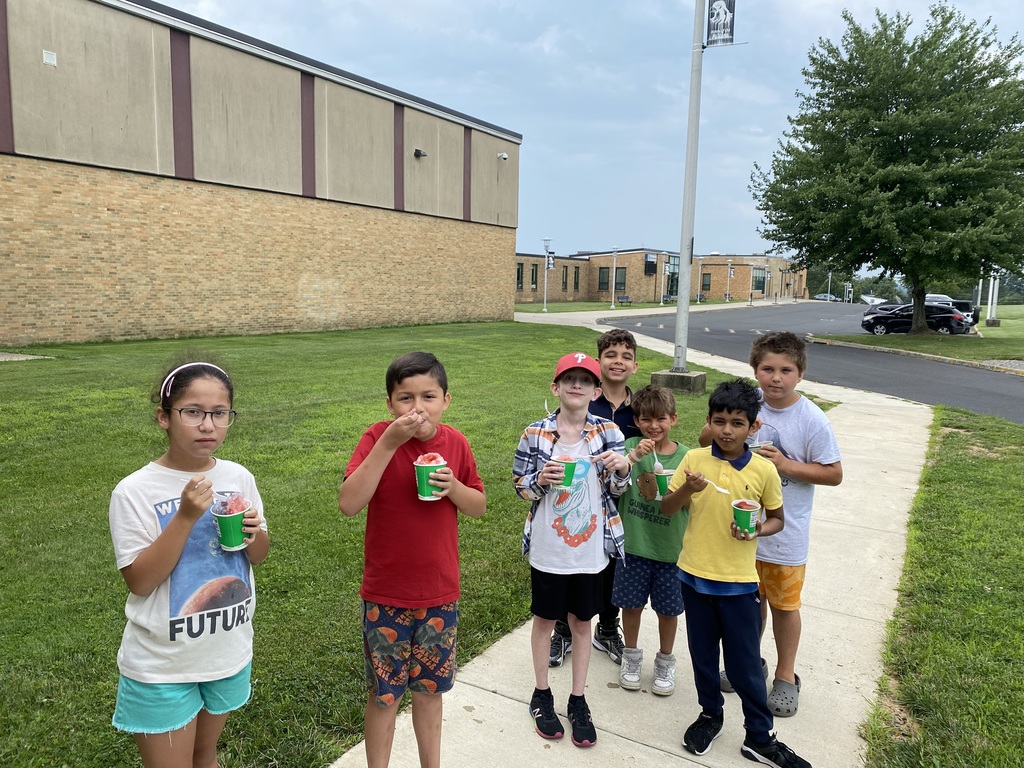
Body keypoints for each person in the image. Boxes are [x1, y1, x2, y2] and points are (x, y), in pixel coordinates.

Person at [109, 360, 271, 768]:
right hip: (163, 665)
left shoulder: (238, 477)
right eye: (193, 412)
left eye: (220, 413)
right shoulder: (134, 491)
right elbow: (140, 581)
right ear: (164, 417)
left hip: (226, 653)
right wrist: (183, 517)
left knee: (204, 754)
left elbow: (258, 555)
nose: (208, 425)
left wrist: (254, 534)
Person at [339, 351, 486, 768]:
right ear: (390, 404)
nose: (417, 408)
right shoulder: (376, 438)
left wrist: (453, 487)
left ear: (446, 400)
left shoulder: (456, 444)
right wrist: (389, 443)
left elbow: (478, 506)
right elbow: (349, 503)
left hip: (439, 593)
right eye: (406, 398)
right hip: (386, 594)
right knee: (384, 697)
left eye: (428, 397)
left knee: (430, 693)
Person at [662, 379, 812, 767]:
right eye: (719, 421)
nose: (727, 430)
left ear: (753, 426)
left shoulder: (764, 470)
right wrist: (688, 489)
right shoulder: (694, 460)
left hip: (739, 583)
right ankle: (710, 715)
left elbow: (777, 518)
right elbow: (667, 507)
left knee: (744, 663)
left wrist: (757, 530)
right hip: (693, 576)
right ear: (709, 421)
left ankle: (760, 737)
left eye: (737, 423)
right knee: (702, 656)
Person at [708, 332, 843, 718]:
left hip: (786, 534)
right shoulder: (748, 405)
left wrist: (785, 465)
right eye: (767, 369)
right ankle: (749, 662)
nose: (776, 378)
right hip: (743, 533)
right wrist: (732, 425)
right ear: (755, 370)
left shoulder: (811, 419)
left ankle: (786, 675)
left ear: (801, 374)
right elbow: (709, 436)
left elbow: (833, 473)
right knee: (749, 605)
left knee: (784, 606)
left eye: (786, 370)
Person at [513, 352, 631, 748]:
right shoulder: (534, 433)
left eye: (585, 380)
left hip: (590, 551)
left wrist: (622, 468)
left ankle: (578, 698)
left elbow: (617, 490)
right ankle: (541, 693)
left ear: (596, 391)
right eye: (569, 379)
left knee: (582, 623)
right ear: (556, 387)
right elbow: (520, 487)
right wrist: (539, 479)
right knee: (545, 620)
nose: (576, 385)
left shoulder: (609, 431)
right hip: (549, 548)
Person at [550, 328, 640, 667]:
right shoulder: (584, 400)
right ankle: (563, 629)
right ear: (599, 363)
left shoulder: (640, 406)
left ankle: (607, 627)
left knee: (614, 567)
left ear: (635, 366)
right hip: (584, 502)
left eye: (626, 357)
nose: (618, 362)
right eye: (610, 355)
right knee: (574, 566)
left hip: (625, 499)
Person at [613, 385, 689, 696]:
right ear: (637, 421)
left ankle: (665, 661)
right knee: (630, 606)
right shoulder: (629, 446)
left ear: (673, 419)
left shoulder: (687, 457)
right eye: (646, 419)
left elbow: (693, 502)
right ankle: (631, 657)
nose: (654, 426)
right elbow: (613, 476)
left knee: (668, 611)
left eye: (661, 419)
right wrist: (633, 457)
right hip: (633, 546)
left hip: (671, 551)